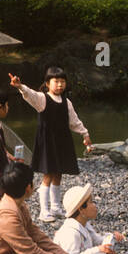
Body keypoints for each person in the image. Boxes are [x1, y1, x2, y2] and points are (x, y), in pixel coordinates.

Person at [8, 66, 91, 222]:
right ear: (47, 83)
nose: (60, 85)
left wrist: (85, 133)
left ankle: (55, 207)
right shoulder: (42, 99)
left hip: (62, 141)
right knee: (48, 175)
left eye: (62, 82)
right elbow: (29, 94)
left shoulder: (67, 102)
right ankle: (44, 211)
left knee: (58, 174)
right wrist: (20, 86)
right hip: (47, 142)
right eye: (56, 81)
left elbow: (74, 121)